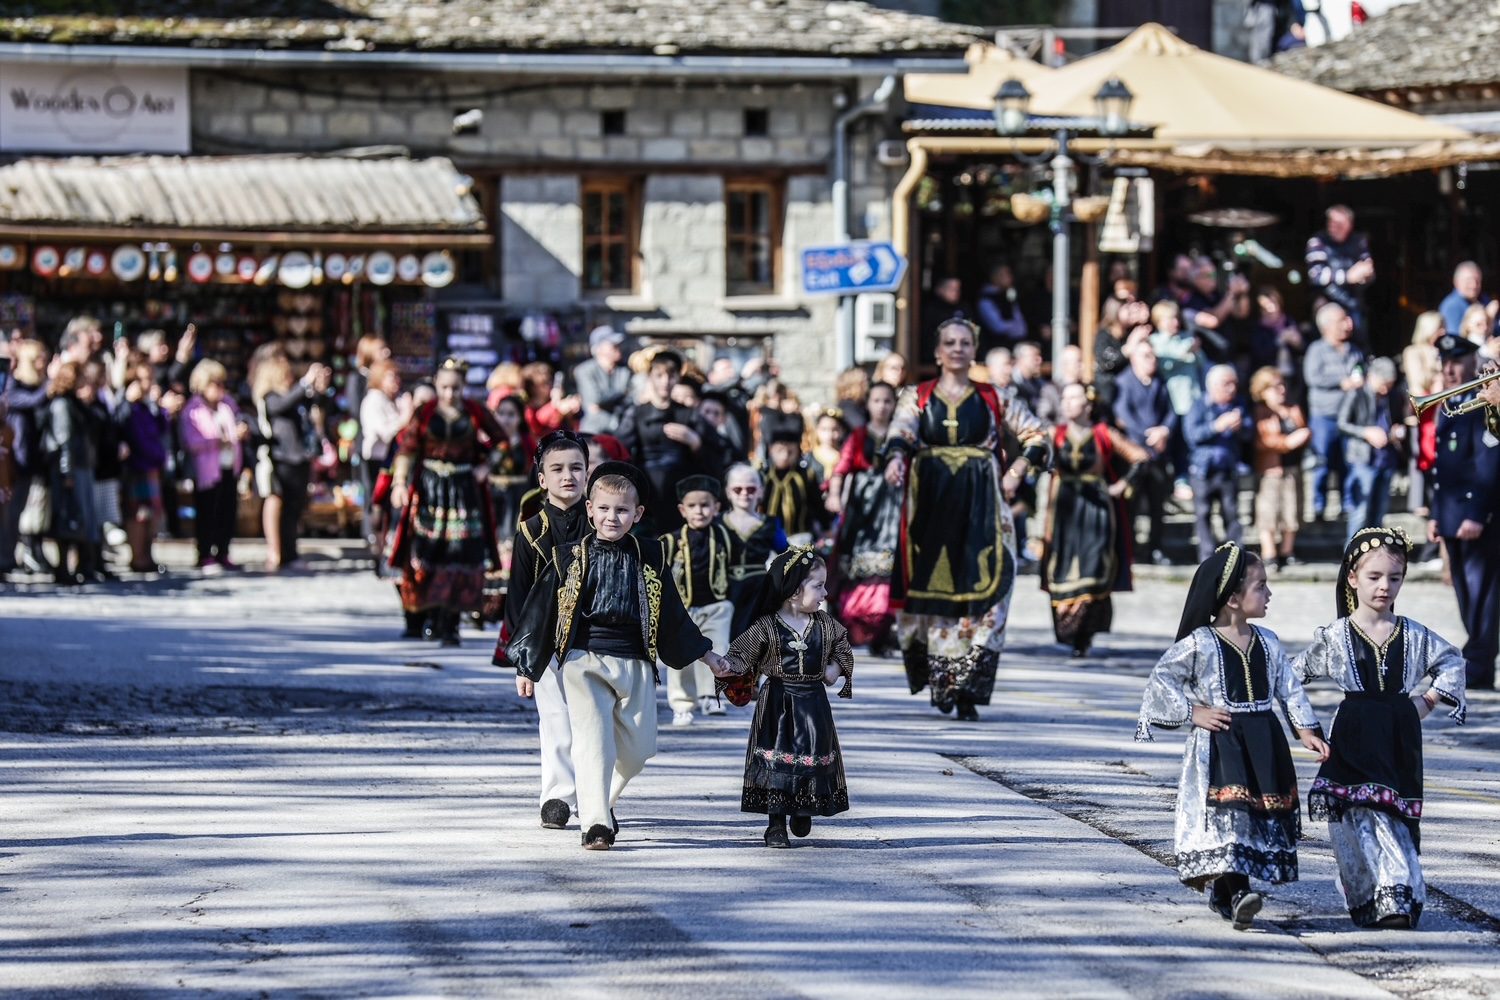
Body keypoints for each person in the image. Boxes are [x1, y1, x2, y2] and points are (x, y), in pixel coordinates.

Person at [506, 462, 729, 850]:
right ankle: (596, 826)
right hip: (583, 661)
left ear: (637, 514)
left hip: (636, 662)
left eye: (622, 510)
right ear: (589, 509)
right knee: (593, 742)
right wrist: (527, 665)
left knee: (640, 748)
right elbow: (539, 612)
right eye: (604, 509)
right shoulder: (566, 557)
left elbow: (674, 614)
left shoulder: (651, 556)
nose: (613, 517)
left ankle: (600, 801)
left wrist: (707, 655)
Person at [1135, 543, 1328, 930]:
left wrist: (1305, 729)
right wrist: (1194, 711)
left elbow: (1288, 687)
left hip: (1263, 742)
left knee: (1256, 814)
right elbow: (1162, 681)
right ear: (1234, 598)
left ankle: (1226, 893)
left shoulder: (1269, 642)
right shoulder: (1200, 643)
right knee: (1231, 816)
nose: (1269, 593)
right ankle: (1239, 892)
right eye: (1261, 586)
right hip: (1221, 744)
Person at [1294, 527, 1467, 928]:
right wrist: (1304, 726)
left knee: (1394, 815)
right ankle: (1374, 895)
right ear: (1352, 578)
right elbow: (1289, 678)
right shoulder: (1335, 637)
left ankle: (1400, 896)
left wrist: (1427, 700)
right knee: (1359, 817)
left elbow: (1452, 662)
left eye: (1395, 577)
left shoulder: (1415, 635)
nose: (1384, 587)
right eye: (1374, 577)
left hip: (1398, 737)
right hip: (1353, 735)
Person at [885, 318, 1048, 722]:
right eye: (949, 342)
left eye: (964, 342)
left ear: (973, 349)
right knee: (938, 594)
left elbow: (1037, 436)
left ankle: (970, 682)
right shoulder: (917, 396)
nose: (957, 348)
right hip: (933, 505)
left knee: (996, 585)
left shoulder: (996, 396)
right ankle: (944, 682)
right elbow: (900, 433)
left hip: (984, 507)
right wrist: (894, 459)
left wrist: (1019, 469)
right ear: (938, 351)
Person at [718, 547, 853, 848]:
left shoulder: (825, 625)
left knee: (812, 755)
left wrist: (834, 668)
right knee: (775, 758)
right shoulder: (766, 626)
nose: (825, 592)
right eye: (818, 586)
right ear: (793, 590)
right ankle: (775, 824)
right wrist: (728, 667)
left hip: (813, 702)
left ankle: (803, 806)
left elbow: (843, 649)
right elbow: (741, 654)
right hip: (778, 701)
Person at [494, 429, 590, 830]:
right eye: (557, 469)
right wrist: (522, 661)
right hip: (547, 641)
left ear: (589, 473)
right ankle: (556, 796)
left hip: (593, 638)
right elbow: (517, 597)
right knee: (555, 719)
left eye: (577, 467)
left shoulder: (604, 521)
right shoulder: (530, 530)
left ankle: (596, 796)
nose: (568, 476)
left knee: (593, 721)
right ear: (542, 478)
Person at [387, 359, 504, 647]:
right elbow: (407, 450)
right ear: (436, 386)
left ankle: (450, 624)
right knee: (426, 552)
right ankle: (424, 618)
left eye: (456, 387)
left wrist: (486, 466)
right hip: (429, 490)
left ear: (464, 387)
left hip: (463, 492)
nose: (450, 393)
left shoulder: (475, 411)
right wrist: (400, 483)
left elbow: (502, 442)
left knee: (459, 554)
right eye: (444, 387)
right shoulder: (424, 412)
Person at [1041, 383, 1148, 657]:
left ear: (1088, 404)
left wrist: (1122, 485)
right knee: (1061, 568)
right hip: (1064, 509)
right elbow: (1034, 456)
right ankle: (1067, 632)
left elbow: (1140, 457)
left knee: (1093, 568)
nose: (1066, 403)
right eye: (1064, 398)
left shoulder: (1103, 433)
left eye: (1073, 397)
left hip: (1096, 511)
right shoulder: (1056, 434)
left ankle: (1083, 636)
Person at [1427, 335, 1500, 689]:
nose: (1450, 369)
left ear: (1473, 361)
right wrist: (1436, 514)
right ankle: (1477, 654)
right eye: (1445, 362)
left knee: (1483, 591)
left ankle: (1480, 661)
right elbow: (1443, 466)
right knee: (1463, 589)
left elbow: (1488, 462)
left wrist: (1477, 512)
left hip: (1475, 515)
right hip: (1452, 513)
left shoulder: (1484, 401)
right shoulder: (1450, 404)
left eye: (1457, 361)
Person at [826, 380, 901, 655]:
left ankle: (883, 632)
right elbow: (841, 469)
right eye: (877, 400)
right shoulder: (858, 436)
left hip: (893, 508)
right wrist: (835, 495)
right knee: (854, 566)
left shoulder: (901, 436)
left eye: (888, 401)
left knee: (890, 567)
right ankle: (852, 626)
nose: (882, 406)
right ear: (868, 404)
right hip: (863, 508)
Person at [659, 474, 735, 727]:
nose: (699, 511)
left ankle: (712, 696)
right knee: (681, 654)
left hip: (716, 606)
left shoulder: (724, 536)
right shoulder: (670, 541)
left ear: (716, 508)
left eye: (705, 505)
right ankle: (681, 704)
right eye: (692, 506)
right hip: (682, 608)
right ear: (682, 510)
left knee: (716, 648)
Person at [615, 348, 716, 531]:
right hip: (646, 488)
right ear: (650, 377)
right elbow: (619, 448)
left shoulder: (689, 414)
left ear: (678, 378)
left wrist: (695, 442)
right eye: (659, 375)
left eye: (671, 376)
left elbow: (717, 451)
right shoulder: (637, 412)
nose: (665, 382)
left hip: (679, 488)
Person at [252, 346, 331, 572]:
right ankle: (279, 552)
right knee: (281, 507)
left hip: (299, 459)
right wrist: (305, 383)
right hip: (281, 460)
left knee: (295, 510)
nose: (289, 378)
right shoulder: (270, 398)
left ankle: (290, 552)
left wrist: (319, 389)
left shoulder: (295, 397)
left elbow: (317, 408)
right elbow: (281, 406)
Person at [180, 360, 247, 572]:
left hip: (229, 466)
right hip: (207, 470)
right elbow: (192, 442)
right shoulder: (193, 409)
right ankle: (205, 554)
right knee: (207, 512)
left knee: (228, 512)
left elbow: (238, 425)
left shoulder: (228, 405)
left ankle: (224, 552)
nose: (220, 389)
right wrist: (218, 441)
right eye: (215, 384)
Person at [1114, 337, 1175, 565]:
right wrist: (1148, 439)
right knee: (1131, 506)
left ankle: (1155, 548)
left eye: (1153, 356)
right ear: (1134, 359)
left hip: (1158, 454)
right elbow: (1124, 417)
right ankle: (1129, 550)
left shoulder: (1160, 382)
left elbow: (1171, 411)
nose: (1152, 360)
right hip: (1134, 455)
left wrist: (1165, 431)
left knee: (1158, 505)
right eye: (1146, 356)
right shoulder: (1124, 382)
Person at [1303, 302, 1366, 521]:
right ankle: (1318, 506)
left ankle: (1347, 505)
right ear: (1327, 325)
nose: (1348, 324)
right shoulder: (1316, 350)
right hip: (1324, 415)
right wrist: (1342, 382)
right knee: (1322, 462)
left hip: (1349, 417)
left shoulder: (1354, 350)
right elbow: (1313, 378)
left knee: (1347, 463)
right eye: (1342, 320)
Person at [1184, 366, 1250, 560]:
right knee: (1203, 514)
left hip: (1227, 469)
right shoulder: (1198, 405)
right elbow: (1192, 436)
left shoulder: (1239, 404)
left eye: (1234, 383)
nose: (1231, 388)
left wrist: (1240, 427)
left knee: (1231, 513)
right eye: (1226, 384)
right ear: (1212, 386)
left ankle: (1236, 555)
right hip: (1203, 470)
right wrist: (1216, 426)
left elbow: (1249, 433)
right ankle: (1206, 558)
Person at [42, 361, 100, 585]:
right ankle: (64, 568)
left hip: (79, 467)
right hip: (69, 469)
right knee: (68, 518)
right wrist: (67, 474)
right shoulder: (62, 405)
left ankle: (80, 566)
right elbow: (63, 439)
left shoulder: (75, 404)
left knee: (78, 518)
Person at [0, 340, 53, 579]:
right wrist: (52, 382)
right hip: (14, 461)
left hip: (30, 459)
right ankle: (5, 559)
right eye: (38, 359)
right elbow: (28, 402)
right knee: (9, 515)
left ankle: (9, 557)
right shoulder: (13, 386)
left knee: (18, 515)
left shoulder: (35, 387)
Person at [1338, 357, 1405, 542]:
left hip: (1386, 457)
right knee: (1360, 512)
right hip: (1363, 458)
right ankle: (1351, 557)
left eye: (1389, 385)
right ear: (1372, 377)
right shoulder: (1356, 394)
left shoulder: (1392, 395)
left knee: (1379, 512)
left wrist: (1396, 431)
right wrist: (1366, 432)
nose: (1385, 389)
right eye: (1383, 384)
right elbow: (1342, 424)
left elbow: (1396, 418)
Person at [1249, 367, 1310, 571]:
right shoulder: (1260, 412)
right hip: (1270, 468)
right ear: (1263, 390)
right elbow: (1263, 441)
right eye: (1275, 387)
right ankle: (1269, 554)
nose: (1281, 390)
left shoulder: (1292, 408)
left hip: (1292, 467)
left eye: (1282, 385)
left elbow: (1304, 431)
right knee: (1268, 512)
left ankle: (1287, 551)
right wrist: (1288, 442)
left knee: (1292, 510)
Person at [722, 463, 787, 640]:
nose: (744, 493)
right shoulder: (718, 523)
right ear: (728, 492)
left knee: (755, 638)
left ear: (760, 492)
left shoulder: (770, 523)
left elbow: (787, 554)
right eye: (738, 489)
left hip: (758, 590)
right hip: (725, 589)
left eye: (751, 489)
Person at [119, 355, 170, 574]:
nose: (149, 384)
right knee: (138, 515)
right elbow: (121, 426)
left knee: (153, 516)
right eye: (145, 379)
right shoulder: (129, 407)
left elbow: (161, 429)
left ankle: (147, 556)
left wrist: (159, 407)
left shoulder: (147, 407)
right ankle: (137, 557)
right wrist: (128, 402)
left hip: (151, 465)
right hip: (136, 466)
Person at [358, 359, 411, 565]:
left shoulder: (389, 399)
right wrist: (406, 414)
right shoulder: (374, 400)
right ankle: (377, 548)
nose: (396, 382)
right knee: (377, 504)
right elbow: (386, 432)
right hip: (376, 459)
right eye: (392, 377)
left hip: (389, 459)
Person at [1149, 299, 1203, 497]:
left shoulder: (1186, 338)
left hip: (1192, 399)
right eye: (1170, 318)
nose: (1175, 323)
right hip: (1170, 401)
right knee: (1170, 442)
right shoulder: (1155, 342)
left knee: (1187, 443)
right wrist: (1185, 352)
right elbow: (1164, 363)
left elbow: (1200, 363)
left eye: (1176, 318)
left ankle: (1185, 479)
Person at [1305, 205, 1375, 341]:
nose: (1333, 226)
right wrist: (1347, 276)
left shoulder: (1359, 241)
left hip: (1353, 302)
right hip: (1327, 301)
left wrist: (1365, 275)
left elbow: (1367, 268)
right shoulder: (1318, 241)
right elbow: (1315, 275)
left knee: (1359, 337)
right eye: (1330, 222)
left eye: (1339, 223)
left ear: (1349, 224)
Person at [1402, 312, 1445, 520]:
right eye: (1439, 328)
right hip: (1421, 410)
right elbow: (1416, 382)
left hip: (1439, 410)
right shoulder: (1413, 351)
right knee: (1419, 456)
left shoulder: (1442, 351)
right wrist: (1436, 374)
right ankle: (1417, 501)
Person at [488, 394, 535, 540]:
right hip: (493, 496)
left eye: (511, 414)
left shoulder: (528, 444)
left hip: (519, 497)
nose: (505, 420)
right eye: (501, 413)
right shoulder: (488, 442)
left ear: (520, 418)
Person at [763, 428, 822, 544]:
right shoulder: (763, 475)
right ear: (770, 450)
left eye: (790, 452)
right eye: (779, 451)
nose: (785, 456)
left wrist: (825, 527)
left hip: (800, 536)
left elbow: (817, 503)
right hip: (768, 535)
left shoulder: (806, 475)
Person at [574, 325, 633, 435]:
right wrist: (621, 394)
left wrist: (602, 405)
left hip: (623, 429)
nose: (617, 346)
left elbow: (631, 399)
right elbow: (595, 400)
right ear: (598, 348)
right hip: (595, 431)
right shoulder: (584, 370)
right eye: (612, 343)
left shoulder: (624, 370)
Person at [1438, 261, 1496, 338]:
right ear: (1456, 282)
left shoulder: (1483, 298)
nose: (1474, 285)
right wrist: (1489, 318)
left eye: (1477, 281)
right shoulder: (1452, 306)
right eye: (1469, 281)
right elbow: (1456, 341)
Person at [976, 262, 1027, 350]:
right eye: (1006, 274)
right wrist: (1013, 327)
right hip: (995, 348)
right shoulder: (986, 298)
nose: (1010, 278)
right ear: (995, 277)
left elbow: (1021, 325)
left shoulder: (1008, 295)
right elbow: (998, 327)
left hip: (1014, 345)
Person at [1010, 342, 1060, 426]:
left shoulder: (1042, 384)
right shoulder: (1010, 383)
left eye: (1040, 356)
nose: (1040, 360)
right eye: (1034, 357)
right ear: (1020, 359)